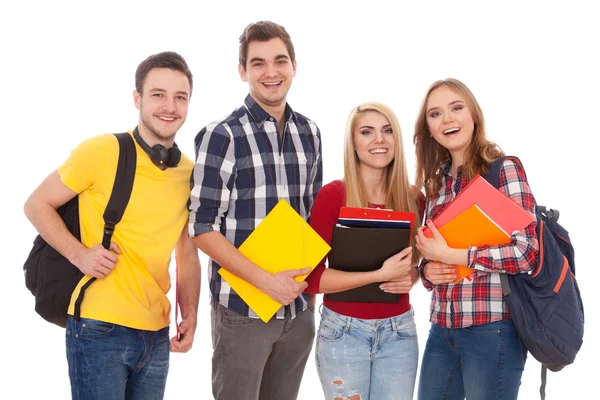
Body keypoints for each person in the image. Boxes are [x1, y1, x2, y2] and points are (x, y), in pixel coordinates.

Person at [23, 51, 201, 400]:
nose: (170, 106)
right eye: (158, 94)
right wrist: (79, 255)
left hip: (156, 332)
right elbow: (36, 204)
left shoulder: (189, 174)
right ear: (137, 99)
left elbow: (188, 254)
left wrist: (190, 313)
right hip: (98, 327)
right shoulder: (102, 151)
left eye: (180, 97)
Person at [188, 21, 322, 400]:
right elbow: (200, 227)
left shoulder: (309, 132)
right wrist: (266, 281)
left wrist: (307, 296)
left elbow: (310, 219)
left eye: (280, 60)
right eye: (258, 63)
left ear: (294, 65)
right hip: (242, 312)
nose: (271, 72)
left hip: (297, 311)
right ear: (243, 71)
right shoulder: (222, 135)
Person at [413, 78, 539, 400]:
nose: (448, 119)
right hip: (442, 330)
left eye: (456, 108)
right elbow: (432, 252)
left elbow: (527, 253)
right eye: (436, 114)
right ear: (429, 127)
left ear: (474, 115)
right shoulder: (436, 184)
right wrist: (428, 270)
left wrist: (457, 255)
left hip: (492, 331)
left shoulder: (502, 171)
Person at [305, 102, 424, 400]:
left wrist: (411, 277)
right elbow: (312, 278)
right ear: (353, 143)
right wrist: (378, 275)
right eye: (367, 132)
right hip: (343, 333)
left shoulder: (413, 198)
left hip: (399, 333)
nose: (379, 140)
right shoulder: (333, 195)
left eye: (387, 131)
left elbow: (422, 264)